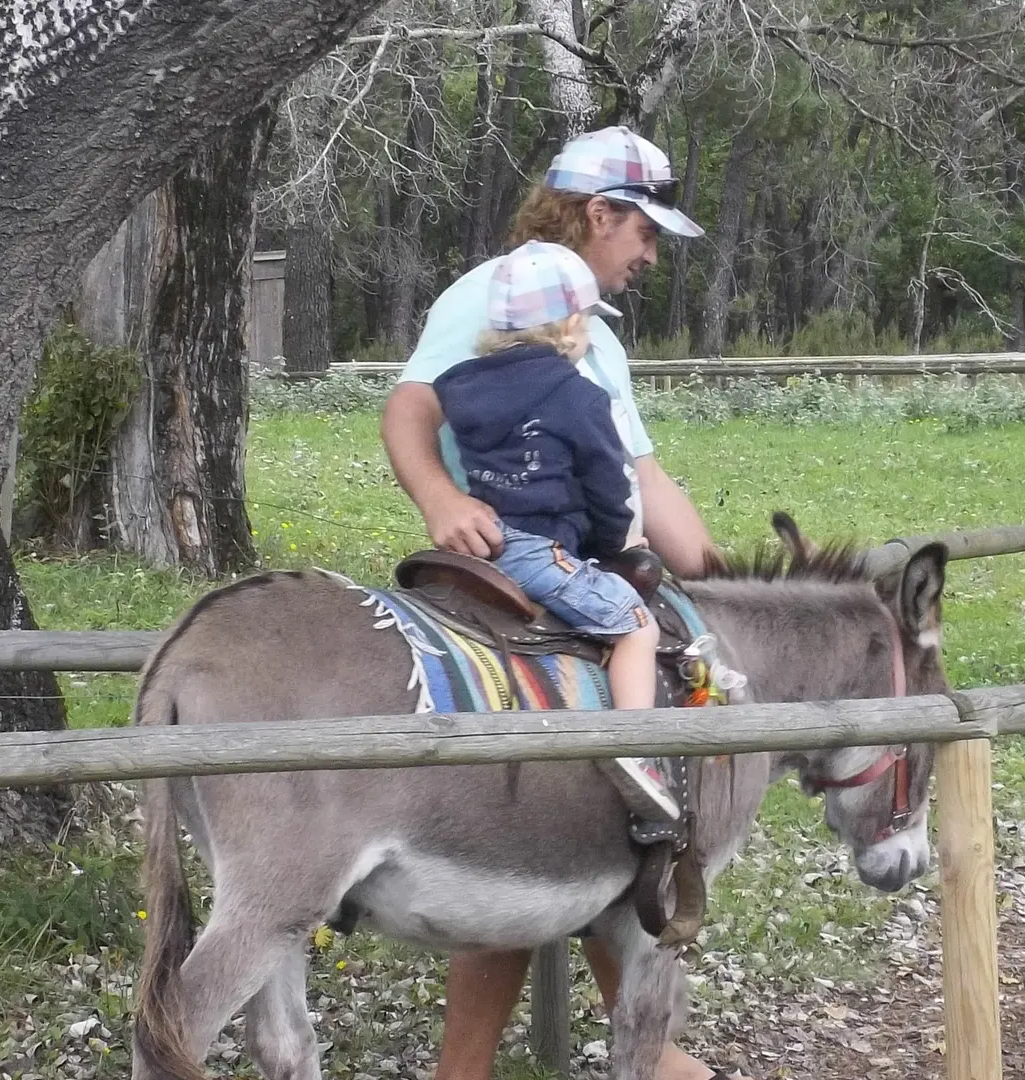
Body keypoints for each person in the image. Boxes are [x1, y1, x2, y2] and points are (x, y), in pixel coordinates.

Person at [381, 126, 738, 1080]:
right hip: (518, 580)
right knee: (550, 815)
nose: (650, 255)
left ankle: (632, 1048)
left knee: (569, 840)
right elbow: (412, 408)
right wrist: (442, 501)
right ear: (599, 213)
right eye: (645, 233)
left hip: (582, 569)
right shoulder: (490, 296)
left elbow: (641, 473)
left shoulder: (593, 334)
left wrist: (721, 584)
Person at [431, 238, 678, 821]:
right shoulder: (579, 396)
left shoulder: (459, 386)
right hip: (539, 551)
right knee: (635, 625)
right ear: (569, 325)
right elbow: (609, 486)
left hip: (483, 543)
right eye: (587, 320)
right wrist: (618, 542)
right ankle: (634, 751)